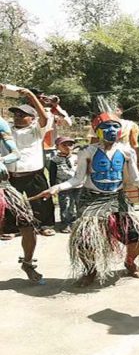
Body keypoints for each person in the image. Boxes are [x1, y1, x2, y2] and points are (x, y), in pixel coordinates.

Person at [35, 100, 139, 287]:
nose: (111, 130)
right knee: (85, 239)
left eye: (115, 126)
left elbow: (134, 180)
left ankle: (129, 262)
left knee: (135, 236)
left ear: (120, 130)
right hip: (92, 198)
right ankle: (90, 270)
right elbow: (77, 180)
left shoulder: (127, 152)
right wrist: (56, 187)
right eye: (106, 127)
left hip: (117, 198)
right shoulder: (87, 151)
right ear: (97, 130)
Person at [5, 88, 56, 237]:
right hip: (11, 174)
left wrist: (31, 96)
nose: (18, 117)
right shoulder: (7, 129)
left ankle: (44, 225)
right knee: (10, 202)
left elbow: (44, 118)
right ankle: (11, 228)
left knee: (41, 200)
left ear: (32, 118)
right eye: (16, 115)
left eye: (22, 115)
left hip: (33, 173)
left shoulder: (37, 130)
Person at [0, 111, 41, 282]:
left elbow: (15, 154)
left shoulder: (0, 123)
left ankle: (28, 262)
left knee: (27, 224)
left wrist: (1, 160)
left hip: (3, 186)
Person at [49, 136, 80, 234]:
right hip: (62, 186)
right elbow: (52, 175)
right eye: (64, 145)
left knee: (79, 204)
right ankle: (66, 223)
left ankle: (78, 222)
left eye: (70, 145)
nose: (67, 147)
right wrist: (53, 187)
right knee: (65, 204)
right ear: (57, 147)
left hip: (79, 185)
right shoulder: (54, 160)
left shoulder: (77, 157)